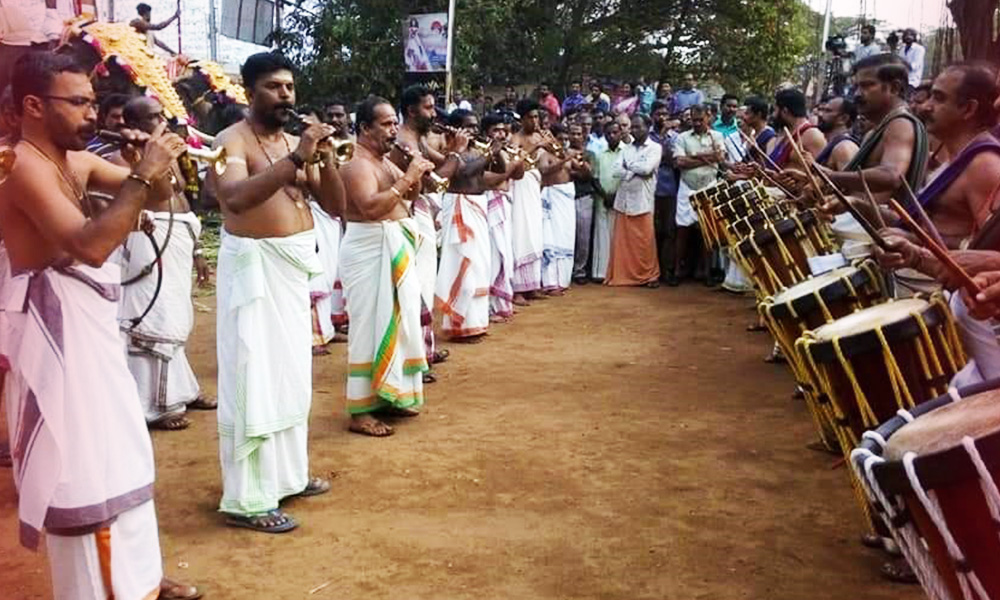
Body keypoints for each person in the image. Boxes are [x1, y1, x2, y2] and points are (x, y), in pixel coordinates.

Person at [0, 50, 200, 600]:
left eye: (93, 101)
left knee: (122, 451)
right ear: (35, 106)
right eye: (80, 103)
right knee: (84, 467)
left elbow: (161, 198)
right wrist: (140, 174)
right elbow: (89, 246)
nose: (94, 115)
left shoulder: (78, 163)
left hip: (92, 337)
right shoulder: (20, 166)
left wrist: (154, 170)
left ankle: (138, 580)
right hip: (56, 340)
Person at [210, 51, 342, 532]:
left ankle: (286, 475)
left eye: (289, 86)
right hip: (254, 274)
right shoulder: (229, 142)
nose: (285, 95)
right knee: (254, 379)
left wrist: (325, 161)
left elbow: (336, 205)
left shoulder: (293, 141)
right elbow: (235, 199)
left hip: (289, 275)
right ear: (249, 92)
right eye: (273, 87)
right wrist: (298, 158)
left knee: (289, 377)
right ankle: (247, 498)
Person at [116, 96, 215, 431]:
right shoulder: (128, 154)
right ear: (132, 124)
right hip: (148, 239)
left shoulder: (170, 152)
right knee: (153, 321)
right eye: (152, 117)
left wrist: (199, 251)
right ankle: (156, 404)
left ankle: (181, 390)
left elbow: (184, 197)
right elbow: (141, 198)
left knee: (176, 316)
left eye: (162, 114)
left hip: (178, 236)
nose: (161, 121)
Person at [339, 95, 435, 437]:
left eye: (395, 123)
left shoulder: (384, 160)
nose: (393, 130)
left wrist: (417, 171)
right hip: (369, 250)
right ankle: (360, 410)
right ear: (364, 128)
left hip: (391, 247)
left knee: (397, 323)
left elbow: (410, 195)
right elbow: (368, 207)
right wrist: (408, 176)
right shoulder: (356, 163)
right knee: (368, 328)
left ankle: (390, 397)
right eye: (386, 124)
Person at [393, 84, 468, 374]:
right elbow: (436, 182)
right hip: (407, 215)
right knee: (416, 288)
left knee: (423, 285)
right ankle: (413, 359)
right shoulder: (405, 141)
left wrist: (453, 149)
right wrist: (457, 152)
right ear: (412, 111)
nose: (434, 113)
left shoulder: (416, 138)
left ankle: (423, 350)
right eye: (428, 107)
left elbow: (447, 165)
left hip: (419, 214)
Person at [435, 109, 498, 341]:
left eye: (475, 126)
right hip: (461, 205)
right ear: (456, 128)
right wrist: (490, 154)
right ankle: (459, 324)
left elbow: (500, 172)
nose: (473, 130)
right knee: (465, 263)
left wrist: (496, 153)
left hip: (479, 206)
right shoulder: (452, 153)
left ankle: (476, 323)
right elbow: (464, 173)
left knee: (480, 265)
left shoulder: (477, 150)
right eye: (468, 126)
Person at [671, 104, 724, 286]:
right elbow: (679, 162)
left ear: (708, 117)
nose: (697, 123)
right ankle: (678, 270)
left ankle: (706, 271)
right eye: (694, 120)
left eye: (701, 120)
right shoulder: (682, 137)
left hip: (709, 185)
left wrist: (693, 156)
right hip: (687, 186)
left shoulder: (717, 136)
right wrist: (705, 158)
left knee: (707, 230)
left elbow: (720, 158)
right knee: (682, 229)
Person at [606, 113, 661, 287]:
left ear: (648, 127)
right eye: (633, 127)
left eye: (639, 127)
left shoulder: (655, 148)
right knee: (624, 242)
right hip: (624, 200)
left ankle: (650, 275)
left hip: (643, 200)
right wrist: (632, 171)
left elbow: (647, 169)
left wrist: (628, 168)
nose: (635, 130)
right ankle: (625, 275)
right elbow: (616, 170)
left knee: (645, 241)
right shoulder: (626, 149)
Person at [482, 113, 524, 321]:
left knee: (506, 253)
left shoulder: (505, 151)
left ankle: (502, 301)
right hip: (491, 201)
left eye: (503, 130)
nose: (501, 133)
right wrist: (511, 166)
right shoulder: (485, 152)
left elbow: (518, 175)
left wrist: (518, 160)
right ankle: (489, 307)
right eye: (496, 130)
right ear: (487, 132)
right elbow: (491, 179)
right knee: (494, 254)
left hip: (505, 202)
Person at [509, 98, 551, 303]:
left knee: (534, 233)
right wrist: (535, 146)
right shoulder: (515, 138)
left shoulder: (539, 136)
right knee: (521, 233)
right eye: (530, 117)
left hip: (534, 186)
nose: (535, 121)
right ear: (522, 118)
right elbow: (514, 162)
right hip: (520, 186)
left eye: (537, 117)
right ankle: (517, 289)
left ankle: (532, 285)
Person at [538, 122, 578, 293]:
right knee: (551, 240)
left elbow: (584, 173)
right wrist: (565, 160)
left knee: (566, 237)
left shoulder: (568, 153)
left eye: (565, 139)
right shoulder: (544, 154)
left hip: (566, 199)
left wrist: (583, 167)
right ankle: (550, 282)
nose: (563, 142)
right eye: (560, 138)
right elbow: (544, 171)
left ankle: (563, 280)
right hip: (551, 199)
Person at [591, 121, 624, 282]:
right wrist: (605, 196)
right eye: (609, 133)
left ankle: (618, 272)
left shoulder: (627, 152)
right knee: (602, 235)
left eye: (615, 132)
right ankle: (600, 272)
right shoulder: (599, 153)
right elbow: (595, 179)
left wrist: (616, 196)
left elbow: (628, 177)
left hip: (621, 199)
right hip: (602, 199)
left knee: (619, 236)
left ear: (621, 133)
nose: (612, 135)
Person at [649, 100, 678, 281]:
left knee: (669, 231)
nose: (662, 118)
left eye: (665, 114)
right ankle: (652, 269)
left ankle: (666, 270)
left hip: (669, 189)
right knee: (653, 231)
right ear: (652, 115)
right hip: (651, 189)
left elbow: (673, 160)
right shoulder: (647, 136)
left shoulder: (674, 137)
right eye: (659, 114)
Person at [767, 88, 826, 169]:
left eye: (775, 110)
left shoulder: (812, 135)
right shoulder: (785, 133)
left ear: (785, 111)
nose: (773, 115)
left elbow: (820, 175)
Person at [569, 121, 597, 285]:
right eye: (573, 133)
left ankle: (580, 271)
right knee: (567, 235)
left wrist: (574, 169)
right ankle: (567, 269)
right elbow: (563, 172)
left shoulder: (590, 154)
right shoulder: (562, 151)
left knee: (583, 237)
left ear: (584, 135)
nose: (576, 137)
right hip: (565, 198)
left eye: (579, 134)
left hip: (584, 197)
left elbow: (588, 174)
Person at [815, 96, 860, 171]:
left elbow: (849, 181)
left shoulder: (844, 147)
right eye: (821, 110)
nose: (820, 114)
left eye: (828, 111)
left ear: (843, 118)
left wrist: (815, 166)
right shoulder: (833, 143)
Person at [743, 96, 776, 161]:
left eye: (747, 113)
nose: (744, 117)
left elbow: (770, 164)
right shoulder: (753, 135)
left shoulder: (770, 137)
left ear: (758, 114)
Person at [713, 93, 744, 162]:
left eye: (735, 107)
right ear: (721, 107)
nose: (731, 109)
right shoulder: (712, 125)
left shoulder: (740, 128)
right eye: (729, 106)